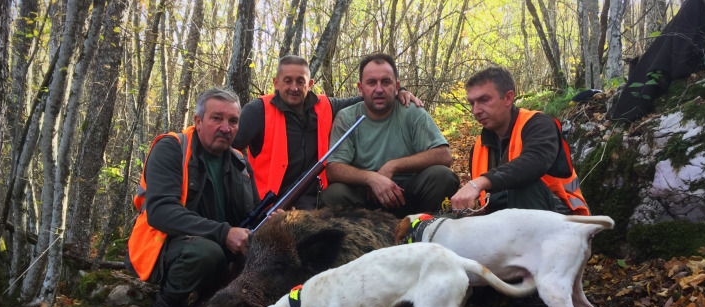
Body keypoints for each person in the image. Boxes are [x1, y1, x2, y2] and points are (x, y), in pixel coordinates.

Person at [126, 87, 260, 307]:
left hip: (219, 246)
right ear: (198, 121)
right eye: (216, 118)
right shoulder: (172, 148)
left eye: (233, 121)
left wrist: (270, 223)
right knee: (205, 253)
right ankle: (168, 306)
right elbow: (161, 212)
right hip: (164, 247)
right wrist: (223, 233)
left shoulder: (239, 162)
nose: (225, 127)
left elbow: (251, 213)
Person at [233, 55, 422, 209]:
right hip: (269, 205)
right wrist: (244, 190)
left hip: (316, 201)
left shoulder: (326, 106)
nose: (294, 87)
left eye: (301, 81)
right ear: (276, 83)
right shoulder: (258, 111)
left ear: (310, 83)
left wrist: (399, 91)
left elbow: (369, 96)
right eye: (287, 81)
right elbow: (229, 149)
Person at [320, 53, 459, 217]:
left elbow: (443, 155)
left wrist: (392, 166)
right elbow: (334, 169)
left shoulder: (412, 112)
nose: (379, 89)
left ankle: (425, 229)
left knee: (442, 176)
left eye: (386, 82)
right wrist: (371, 178)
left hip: (407, 193)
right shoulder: (347, 117)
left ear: (396, 86)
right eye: (371, 83)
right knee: (333, 194)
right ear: (360, 88)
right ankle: (362, 238)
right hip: (365, 199)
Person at [450, 65, 589, 215]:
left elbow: (534, 162)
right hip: (508, 222)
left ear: (508, 98)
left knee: (523, 185)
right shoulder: (479, 146)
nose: (476, 111)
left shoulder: (539, 123)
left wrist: (478, 183)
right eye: (472, 103)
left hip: (563, 218)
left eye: (484, 100)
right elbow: (488, 201)